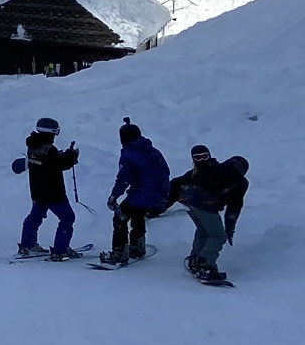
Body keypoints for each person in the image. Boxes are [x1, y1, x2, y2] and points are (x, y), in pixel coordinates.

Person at [170, 145, 249, 285]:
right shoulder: (240, 181)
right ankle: (204, 266)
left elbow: (177, 182)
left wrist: (161, 203)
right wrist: (229, 228)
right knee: (218, 235)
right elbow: (234, 206)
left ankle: (195, 260)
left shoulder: (211, 168)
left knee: (204, 230)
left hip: (186, 197)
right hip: (203, 201)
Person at [105, 119, 171, 266]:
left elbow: (124, 178)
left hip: (143, 194)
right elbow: (165, 171)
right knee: (137, 211)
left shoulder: (129, 154)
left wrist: (114, 196)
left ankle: (119, 252)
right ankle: (138, 246)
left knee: (120, 216)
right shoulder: (153, 151)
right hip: (160, 195)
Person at [13, 117, 80, 259]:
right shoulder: (50, 150)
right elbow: (61, 165)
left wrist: (63, 156)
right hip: (53, 192)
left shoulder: (32, 145)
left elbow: (48, 163)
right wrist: (72, 156)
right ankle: (60, 250)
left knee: (35, 217)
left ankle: (28, 245)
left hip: (38, 191)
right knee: (67, 218)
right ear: (51, 132)